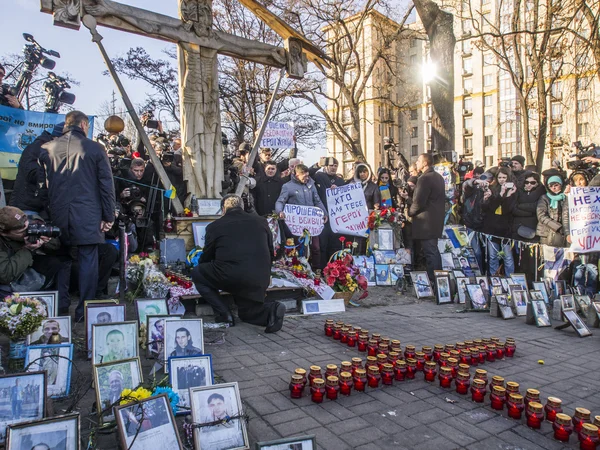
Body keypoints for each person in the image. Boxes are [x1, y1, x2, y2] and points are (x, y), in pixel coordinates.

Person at [39, 111, 116, 321]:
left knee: (61, 259)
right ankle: (84, 311)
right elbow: (106, 186)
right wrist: (109, 216)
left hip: (58, 213)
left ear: (66, 125)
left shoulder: (47, 149)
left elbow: (44, 185)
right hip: (88, 214)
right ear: (83, 124)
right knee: (88, 262)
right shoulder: (96, 149)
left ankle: (61, 308)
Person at [191, 195, 285, 332]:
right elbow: (271, 251)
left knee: (198, 272)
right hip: (259, 276)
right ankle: (272, 310)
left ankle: (225, 314)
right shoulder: (261, 221)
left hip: (231, 276)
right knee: (246, 314)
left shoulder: (214, 226)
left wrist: (200, 265)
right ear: (242, 207)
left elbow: (206, 256)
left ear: (223, 209)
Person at [0, 207, 69, 302]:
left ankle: (60, 305)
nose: (27, 231)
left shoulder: (32, 222)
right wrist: (27, 249)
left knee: (58, 262)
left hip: (24, 265)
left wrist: (45, 241)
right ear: (4, 233)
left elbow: (56, 245)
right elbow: (5, 275)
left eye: (27, 227)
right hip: (8, 277)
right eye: (21, 231)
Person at [276, 165, 328, 268]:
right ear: (297, 175)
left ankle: (316, 270)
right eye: (304, 176)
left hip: (312, 222)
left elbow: (317, 201)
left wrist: (324, 213)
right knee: (300, 247)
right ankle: (301, 269)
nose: (307, 178)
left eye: (308, 176)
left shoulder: (311, 185)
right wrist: (279, 211)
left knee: (316, 247)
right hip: (297, 223)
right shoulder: (287, 186)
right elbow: (280, 201)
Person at [10, 123, 63, 217]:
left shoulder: (50, 148)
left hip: (41, 206)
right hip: (28, 205)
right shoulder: (38, 147)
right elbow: (31, 173)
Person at [408, 153, 445, 283]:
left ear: (425, 163)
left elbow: (419, 201)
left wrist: (410, 212)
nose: (416, 163)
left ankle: (435, 281)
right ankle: (439, 280)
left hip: (426, 222)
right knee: (433, 251)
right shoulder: (438, 177)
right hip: (435, 220)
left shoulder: (424, 178)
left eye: (418, 160)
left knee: (430, 253)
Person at [481, 167, 517, 276]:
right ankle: (494, 278)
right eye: (500, 177)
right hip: (492, 227)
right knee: (492, 256)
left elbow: (508, 209)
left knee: (508, 257)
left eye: (504, 177)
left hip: (506, 228)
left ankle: (510, 279)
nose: (502, 180)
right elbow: (491, 207)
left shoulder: (514, 190)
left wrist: (509, 195)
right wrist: (500, 195)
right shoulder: (493, 189)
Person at [310, 157, 346, 268]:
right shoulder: (319, 176)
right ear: (326, 166)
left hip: (336, 219)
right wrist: (317, 164)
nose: (333, 168)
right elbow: (309, 174)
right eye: (331, 165)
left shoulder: (340, 181)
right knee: (322, 245)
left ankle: (334, 269)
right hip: (322, 217)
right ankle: (321, 270)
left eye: (335, 166)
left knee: (335, 245)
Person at [536, 172, 570, 247]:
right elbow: (541, 216)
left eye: (556, 185)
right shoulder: (544, 198)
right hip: (547, 233)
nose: (553, 188)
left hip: (563, 233)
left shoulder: (566, 197)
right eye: (551, 186)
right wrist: (557, 227)